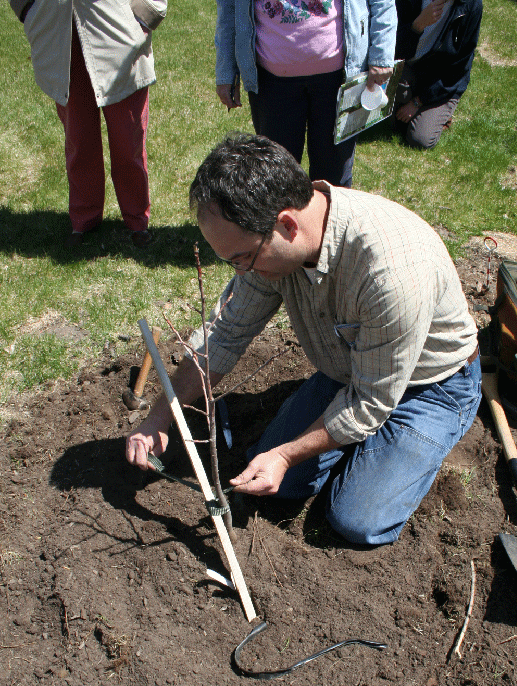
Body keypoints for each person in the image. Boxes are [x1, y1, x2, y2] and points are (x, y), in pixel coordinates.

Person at [126, 134, 482, 547]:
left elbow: (371, 402)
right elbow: (223, 336)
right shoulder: (271, 251)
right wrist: (160, 417)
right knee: (280, 485)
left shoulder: (391, 273)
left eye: (241, 259)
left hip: (428, 388)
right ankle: (346, 442)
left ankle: (428, 436)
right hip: (347, 372)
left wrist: (285, 454)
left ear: (287, 225)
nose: (239, 273)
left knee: (356, 520)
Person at [10, 0, 167, 248]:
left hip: (117, 34)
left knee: (128, 141)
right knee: (79, 139)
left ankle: (137, 219)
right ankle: (83, 218)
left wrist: (144, 15)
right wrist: (28, 9)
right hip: (57, 32)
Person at [214, 0, 396, 187]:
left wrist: (381, 55)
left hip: (338, 79)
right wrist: (226, 71)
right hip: (272, 83)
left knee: (334, 177)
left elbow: (382, 2)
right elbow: (229, 8)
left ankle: (330, 216)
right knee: (278, 177)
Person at [394, 0, 482, 149]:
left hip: (442, 79)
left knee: (419, 139)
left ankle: (441, 108)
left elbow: (458, 67)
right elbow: (393, 46)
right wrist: (418, 25)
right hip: (409, 65)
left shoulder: (471, 5)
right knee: (394, 123)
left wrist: (418, 102)